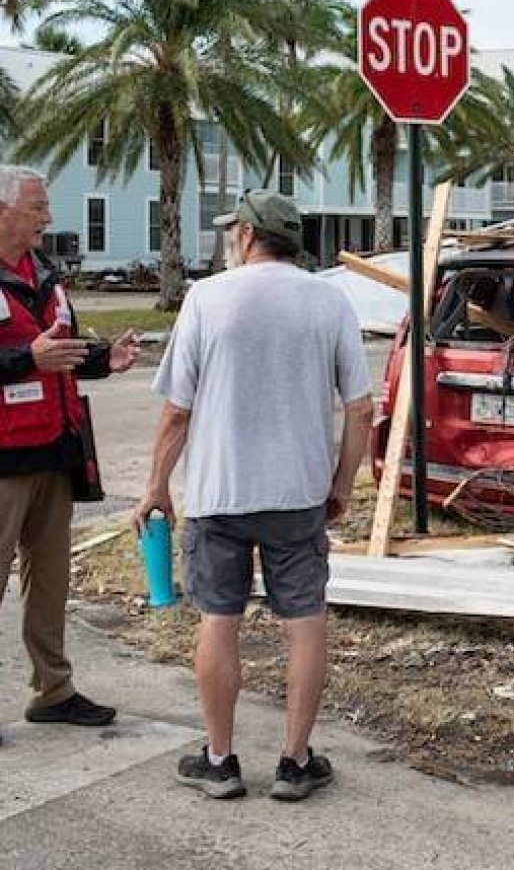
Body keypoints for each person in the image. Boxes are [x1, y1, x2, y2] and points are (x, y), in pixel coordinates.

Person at [132, 191, 373, 802]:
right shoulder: (329, 299)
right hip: (297, 495)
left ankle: (219, 760)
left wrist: (158, 485)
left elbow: (176, 412)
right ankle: (294, 763)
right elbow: (362, 408)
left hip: (220, 493)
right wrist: (341, 485)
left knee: (220, 618)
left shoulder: (208, 298)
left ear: (244, 236)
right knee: (305, 620)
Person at [0, 165, 140, 727]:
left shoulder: (47, 275)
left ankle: (53, 690)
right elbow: (33, 356)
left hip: (56, 451)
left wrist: (106, 358)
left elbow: (65, 346)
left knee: (50, 580)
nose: (48, 218)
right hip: (4, 459)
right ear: (4, 210)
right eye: (37, 207)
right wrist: (22, 360)